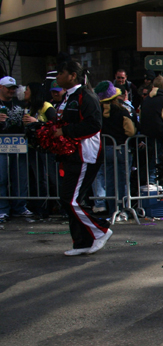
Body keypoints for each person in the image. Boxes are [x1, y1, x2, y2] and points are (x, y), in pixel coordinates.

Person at [53, 56, 113, 255]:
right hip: (71, 155)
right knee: (71, 199)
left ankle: (100, 230)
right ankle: (82, 243)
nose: (57, 77)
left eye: (61, 73)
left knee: (70, 200)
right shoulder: (67, 97)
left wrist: (65, 131)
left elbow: (94, 124)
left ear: (72, 75)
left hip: (85, 154)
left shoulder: (86, 96)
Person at [92, 81, 136, 215]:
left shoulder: (97, 112)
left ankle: (112, 209)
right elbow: (130, 131)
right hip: (120, 148)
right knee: (123, 180)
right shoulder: (122, 111)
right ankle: (122, 209)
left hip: (105, 148)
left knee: (109, 180)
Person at [21, 82, 58, 218]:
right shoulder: (28, 108)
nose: (25, 92)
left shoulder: (47, 107)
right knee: (39, 179)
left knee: (53, 178)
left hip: (47, 149)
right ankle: (42, 208)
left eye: (27, 90)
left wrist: (37, 122)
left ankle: (61, 207)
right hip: (33, 149)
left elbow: (55, 125)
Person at [0, 77, 32, 222]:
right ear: (1, 87)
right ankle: (2, 209)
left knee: (20, 177)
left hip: (19, 145)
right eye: (9, 88)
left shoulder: (20, 103)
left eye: (13, 88)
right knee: (1, 178)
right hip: (1, 146)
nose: (12, 90)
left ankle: (20, 207)